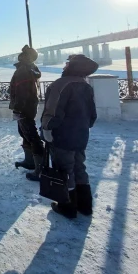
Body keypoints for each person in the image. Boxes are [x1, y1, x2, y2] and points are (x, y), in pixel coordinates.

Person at [41, 54, 98, 219]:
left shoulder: (60, 85)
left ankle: (67, 207)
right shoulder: (86, 86)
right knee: (79, 167)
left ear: (72, 67)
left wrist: (46, 129)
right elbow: (92, 115)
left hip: (62, 136)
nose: (64, 66)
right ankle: (85, 206)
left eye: (67, 64)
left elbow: (53, 112)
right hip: (81, 135)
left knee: (64, 170)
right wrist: (82, 127)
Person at [9, 45, 43, 180]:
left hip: (24, 108)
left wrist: (18, 108)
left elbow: (22, 91)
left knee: (31, 135)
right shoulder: (30, 69)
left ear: (27, 57)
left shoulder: (23, 70)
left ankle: (40, 168)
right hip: (29, 107)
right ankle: (30, 162)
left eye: (23, 54)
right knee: (25, 133)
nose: (20, 55)